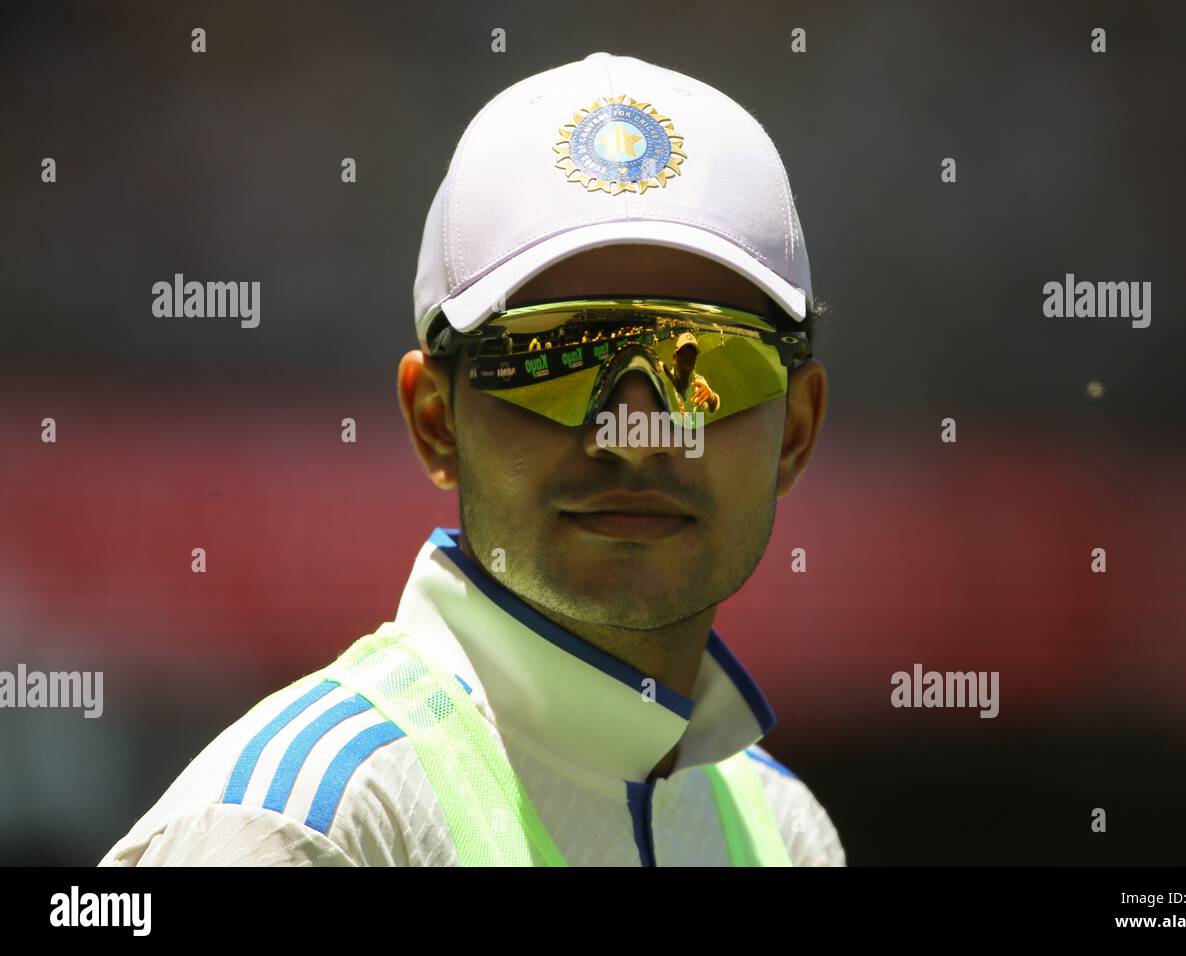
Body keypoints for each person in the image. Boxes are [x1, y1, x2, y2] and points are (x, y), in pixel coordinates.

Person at [100, 51, 841, 867]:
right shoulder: (299, 829)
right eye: (556, 359)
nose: (638, 431)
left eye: (707, 368)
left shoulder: (786, 833)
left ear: (796, 432)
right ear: (435, 423)